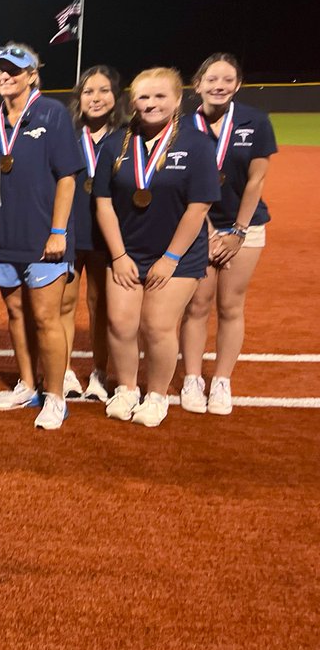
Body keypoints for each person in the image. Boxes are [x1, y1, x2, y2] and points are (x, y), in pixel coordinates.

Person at [94, 68, 220, 427]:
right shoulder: (116, 143)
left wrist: (170, 258)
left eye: (160, 96)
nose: (151, 104)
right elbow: (102, 203)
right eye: (144, 97)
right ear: (132, 102)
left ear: (178, 99)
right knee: (120, 324)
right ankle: (128, 389)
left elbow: (199, 207)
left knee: (158, 326)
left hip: (176, 255)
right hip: (126, 251)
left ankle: (157, 395)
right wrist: (118, 255)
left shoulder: (196, 144)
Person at [0, 43, 82, 430]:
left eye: (14, 70)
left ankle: (55, 396)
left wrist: (58, 232)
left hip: (44, 239)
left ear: (32, 74)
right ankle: (27, 383)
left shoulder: (52, 113)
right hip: (5, 238)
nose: (5, 76)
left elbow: (68, 178)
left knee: (45, 317)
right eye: (0, 70)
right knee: (16, 314)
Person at [179, 53, 277, 416]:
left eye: (227, 80)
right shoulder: (183, 125)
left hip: (245, 225)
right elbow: (184, 184)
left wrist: (237, 230)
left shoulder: (256, 121)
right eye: (211, 79)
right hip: (197, 225)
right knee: (196, 306)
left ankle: (221, 380)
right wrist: (206, 230)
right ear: (198, 84)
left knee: (231, 305)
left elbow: (257, 180)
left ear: (237, 85)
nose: (218, 86)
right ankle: (192, 378)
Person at [61, 66, 127, 403]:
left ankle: (100, 373)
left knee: (101, 307)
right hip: (70, 233)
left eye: (103, 90)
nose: (96, 98)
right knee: (65, 304)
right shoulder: (67, 132)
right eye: (88, 91)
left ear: (115, 96)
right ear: (79, 97)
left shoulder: (128, 136)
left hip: (106, 236)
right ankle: (65, 371)